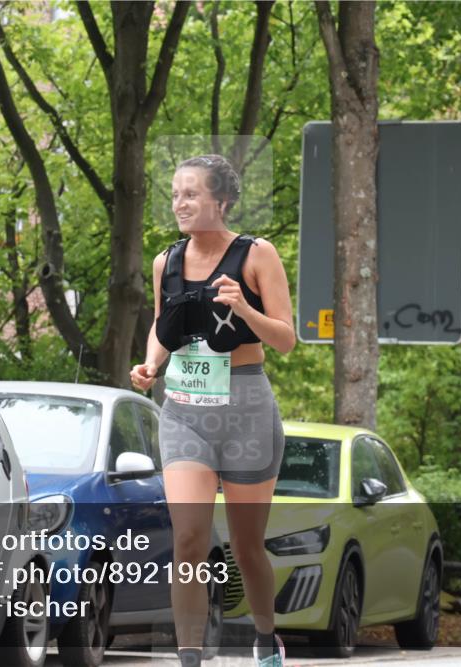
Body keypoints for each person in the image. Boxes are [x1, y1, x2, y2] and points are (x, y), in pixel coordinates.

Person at [131, 154, 295, 667]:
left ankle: (266, 638)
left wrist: (245, 309)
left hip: (245, 408)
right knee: (189, 538)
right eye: (176, 194)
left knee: (247, 549)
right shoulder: (166, 262)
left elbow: (287, 340)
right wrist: (150, 364)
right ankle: (190, 657)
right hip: (184, 412)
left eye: (192, 194)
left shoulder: (256, 256)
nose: (180, 203)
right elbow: (165, 329)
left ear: (220, 201)